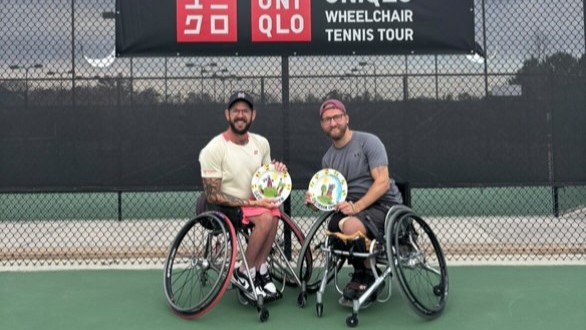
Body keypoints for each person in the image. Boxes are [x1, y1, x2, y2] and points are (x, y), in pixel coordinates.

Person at [305, 99, 403, 305]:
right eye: (327, 119)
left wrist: (356, 207)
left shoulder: (369, 142)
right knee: (336, 224)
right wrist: (315, 202)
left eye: (337, 117)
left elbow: (383, 182)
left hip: (384, 205)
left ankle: (366, 274)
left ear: (346, 118)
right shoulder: (328, 159)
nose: (333, 123)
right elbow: (332, 198)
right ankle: (362, 273)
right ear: (322, 125)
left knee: (348, 225)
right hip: (352, 210)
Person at [199, 91, 287, 301]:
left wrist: (277, 171)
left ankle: (260, 269)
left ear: (253, 115)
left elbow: (265, 182)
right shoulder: (214, 149)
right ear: (227, 115)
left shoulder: (261, 143)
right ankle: (243, 272)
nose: (240, 115)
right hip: (219, 205)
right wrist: (252, 203)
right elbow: (213, 195)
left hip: (253, 204)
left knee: (274, 211)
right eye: (236, 111)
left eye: (245, 111)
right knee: (265, 217)